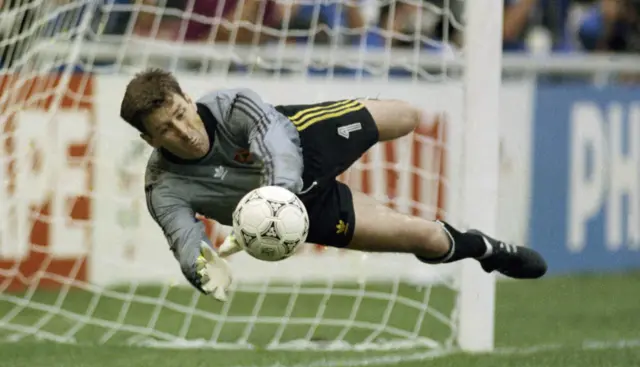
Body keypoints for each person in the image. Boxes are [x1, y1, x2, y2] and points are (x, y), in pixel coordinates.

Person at [119, 68, 547, 301]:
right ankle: (488, 250)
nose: (184, 130)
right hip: (306, 213)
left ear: (189, 99)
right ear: (149, 140)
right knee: (426, 238)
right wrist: (204, 270)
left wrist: (276, 197)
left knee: (407, 116)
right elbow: (184, 239)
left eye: (181, 113)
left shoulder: (233, 104)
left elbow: (274, 140)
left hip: (305, 141)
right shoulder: (163, 187)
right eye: (167, 129)